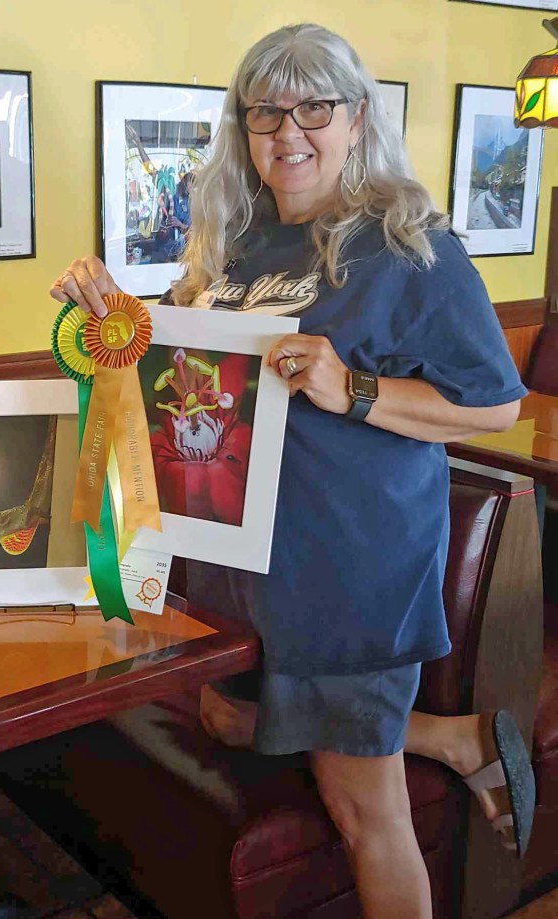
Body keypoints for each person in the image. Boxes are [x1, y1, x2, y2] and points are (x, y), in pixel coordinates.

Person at [50, 24, 533, 919]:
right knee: (226, 717)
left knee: (364, 812)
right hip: (240, 567)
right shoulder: (236, 247)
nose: (289, 131)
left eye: (315, 107)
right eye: (266, 111)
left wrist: (353, 389)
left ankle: (433, 744)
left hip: (349, 572)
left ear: (357, 120)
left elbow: (493, 406)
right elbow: (195, 385)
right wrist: (122, 321)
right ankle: (454, 739)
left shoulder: (412, 249)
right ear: (244, 129)